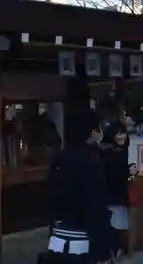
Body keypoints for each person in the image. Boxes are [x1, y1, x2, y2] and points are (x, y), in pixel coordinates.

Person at [45, 110, 113, 264]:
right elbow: (95, 208)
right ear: (93, 132)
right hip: (82, 241)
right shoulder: (92, 162)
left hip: (58, 238)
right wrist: (103, 252)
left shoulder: (59, 159)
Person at [100, 120, 131, 257]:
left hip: (116, 195)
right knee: (115, 228)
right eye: (118, 134)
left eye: (123, 133)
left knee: (116, 228)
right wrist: (129, 171)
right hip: (112, 196)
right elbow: (114, 174)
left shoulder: (119, 150)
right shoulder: (109, 152)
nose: (121, 136)